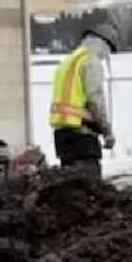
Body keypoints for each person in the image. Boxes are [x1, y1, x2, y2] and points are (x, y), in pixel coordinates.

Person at [47, 22, 119, 177]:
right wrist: (107, 131)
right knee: (88, 187)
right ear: (104, 44)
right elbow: (95, 100)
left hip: (61, 136)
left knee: (70, 188)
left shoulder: (68, 62)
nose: (107, 56)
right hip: (82, 136)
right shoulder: (91, 62)